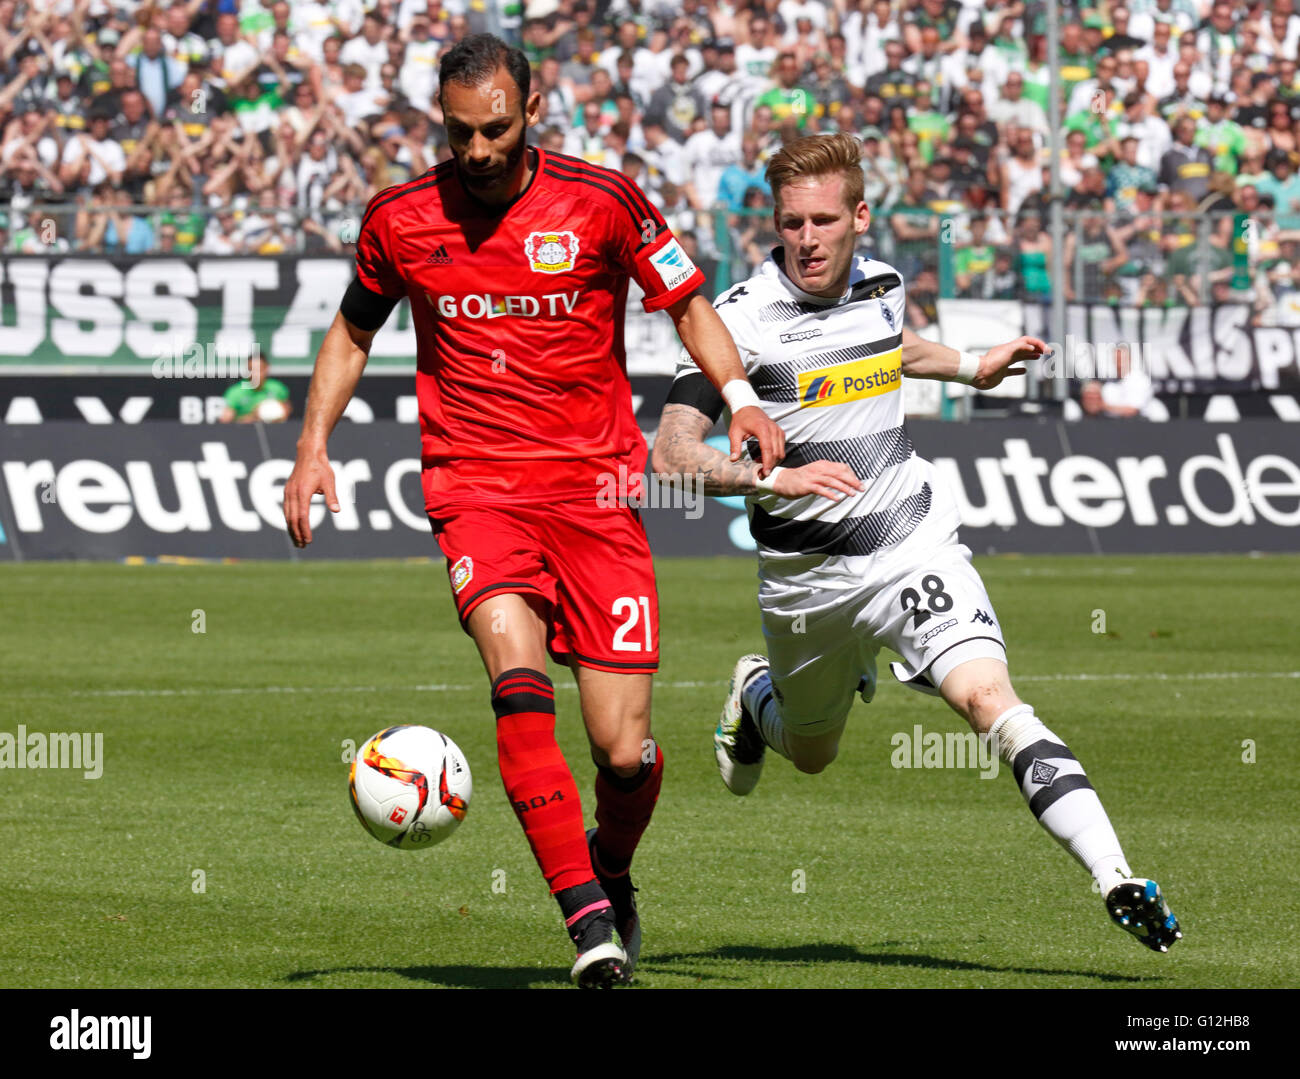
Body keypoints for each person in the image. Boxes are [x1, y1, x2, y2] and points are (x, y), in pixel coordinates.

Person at [281, 33, 783, 988]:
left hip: (597, 495)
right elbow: (352, 331)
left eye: (495, 130)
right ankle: (586, 922)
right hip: (476, 487)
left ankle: (614, 870)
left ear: (534, 105)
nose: (476, 151)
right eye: (459, 132)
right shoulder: (400, 219)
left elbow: (685, 301)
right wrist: (313, 448)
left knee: (623, 751)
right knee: (516, 682)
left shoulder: (601, 201)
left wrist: (740, 394)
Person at [650, 133, 1182, 956]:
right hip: (805, 582)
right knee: (814, 754)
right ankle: (757, 694)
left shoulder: (885, 287)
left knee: (988, 701)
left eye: (825, 219)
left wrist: (974, 366)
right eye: (792, 222)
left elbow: (891, 349)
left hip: (909, 543)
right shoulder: (737, 320)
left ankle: (1116, 876)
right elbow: (671, 454)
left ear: (860, 217)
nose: (808, 238)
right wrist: (766, 479)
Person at [219, 355, 291, 424]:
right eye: (251, 369)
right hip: (245, 433)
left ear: (266, 368)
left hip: (275, 431)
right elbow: (225, 421)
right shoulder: (236, 392)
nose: (255, 374)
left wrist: (276, 413)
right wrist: (254, 416)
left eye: (259, 369)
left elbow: (286, 408)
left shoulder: (277, 388)